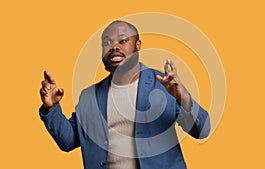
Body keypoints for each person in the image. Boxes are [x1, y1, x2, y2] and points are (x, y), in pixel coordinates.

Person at [39, 20, 210, 169]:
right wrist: (51, 108)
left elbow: (202, 130)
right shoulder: (89, 96)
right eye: (107, 42)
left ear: (137, 45)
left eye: (122, 40)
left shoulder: (163, 84)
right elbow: (68, 141)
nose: (114, 47)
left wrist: (183, 97)